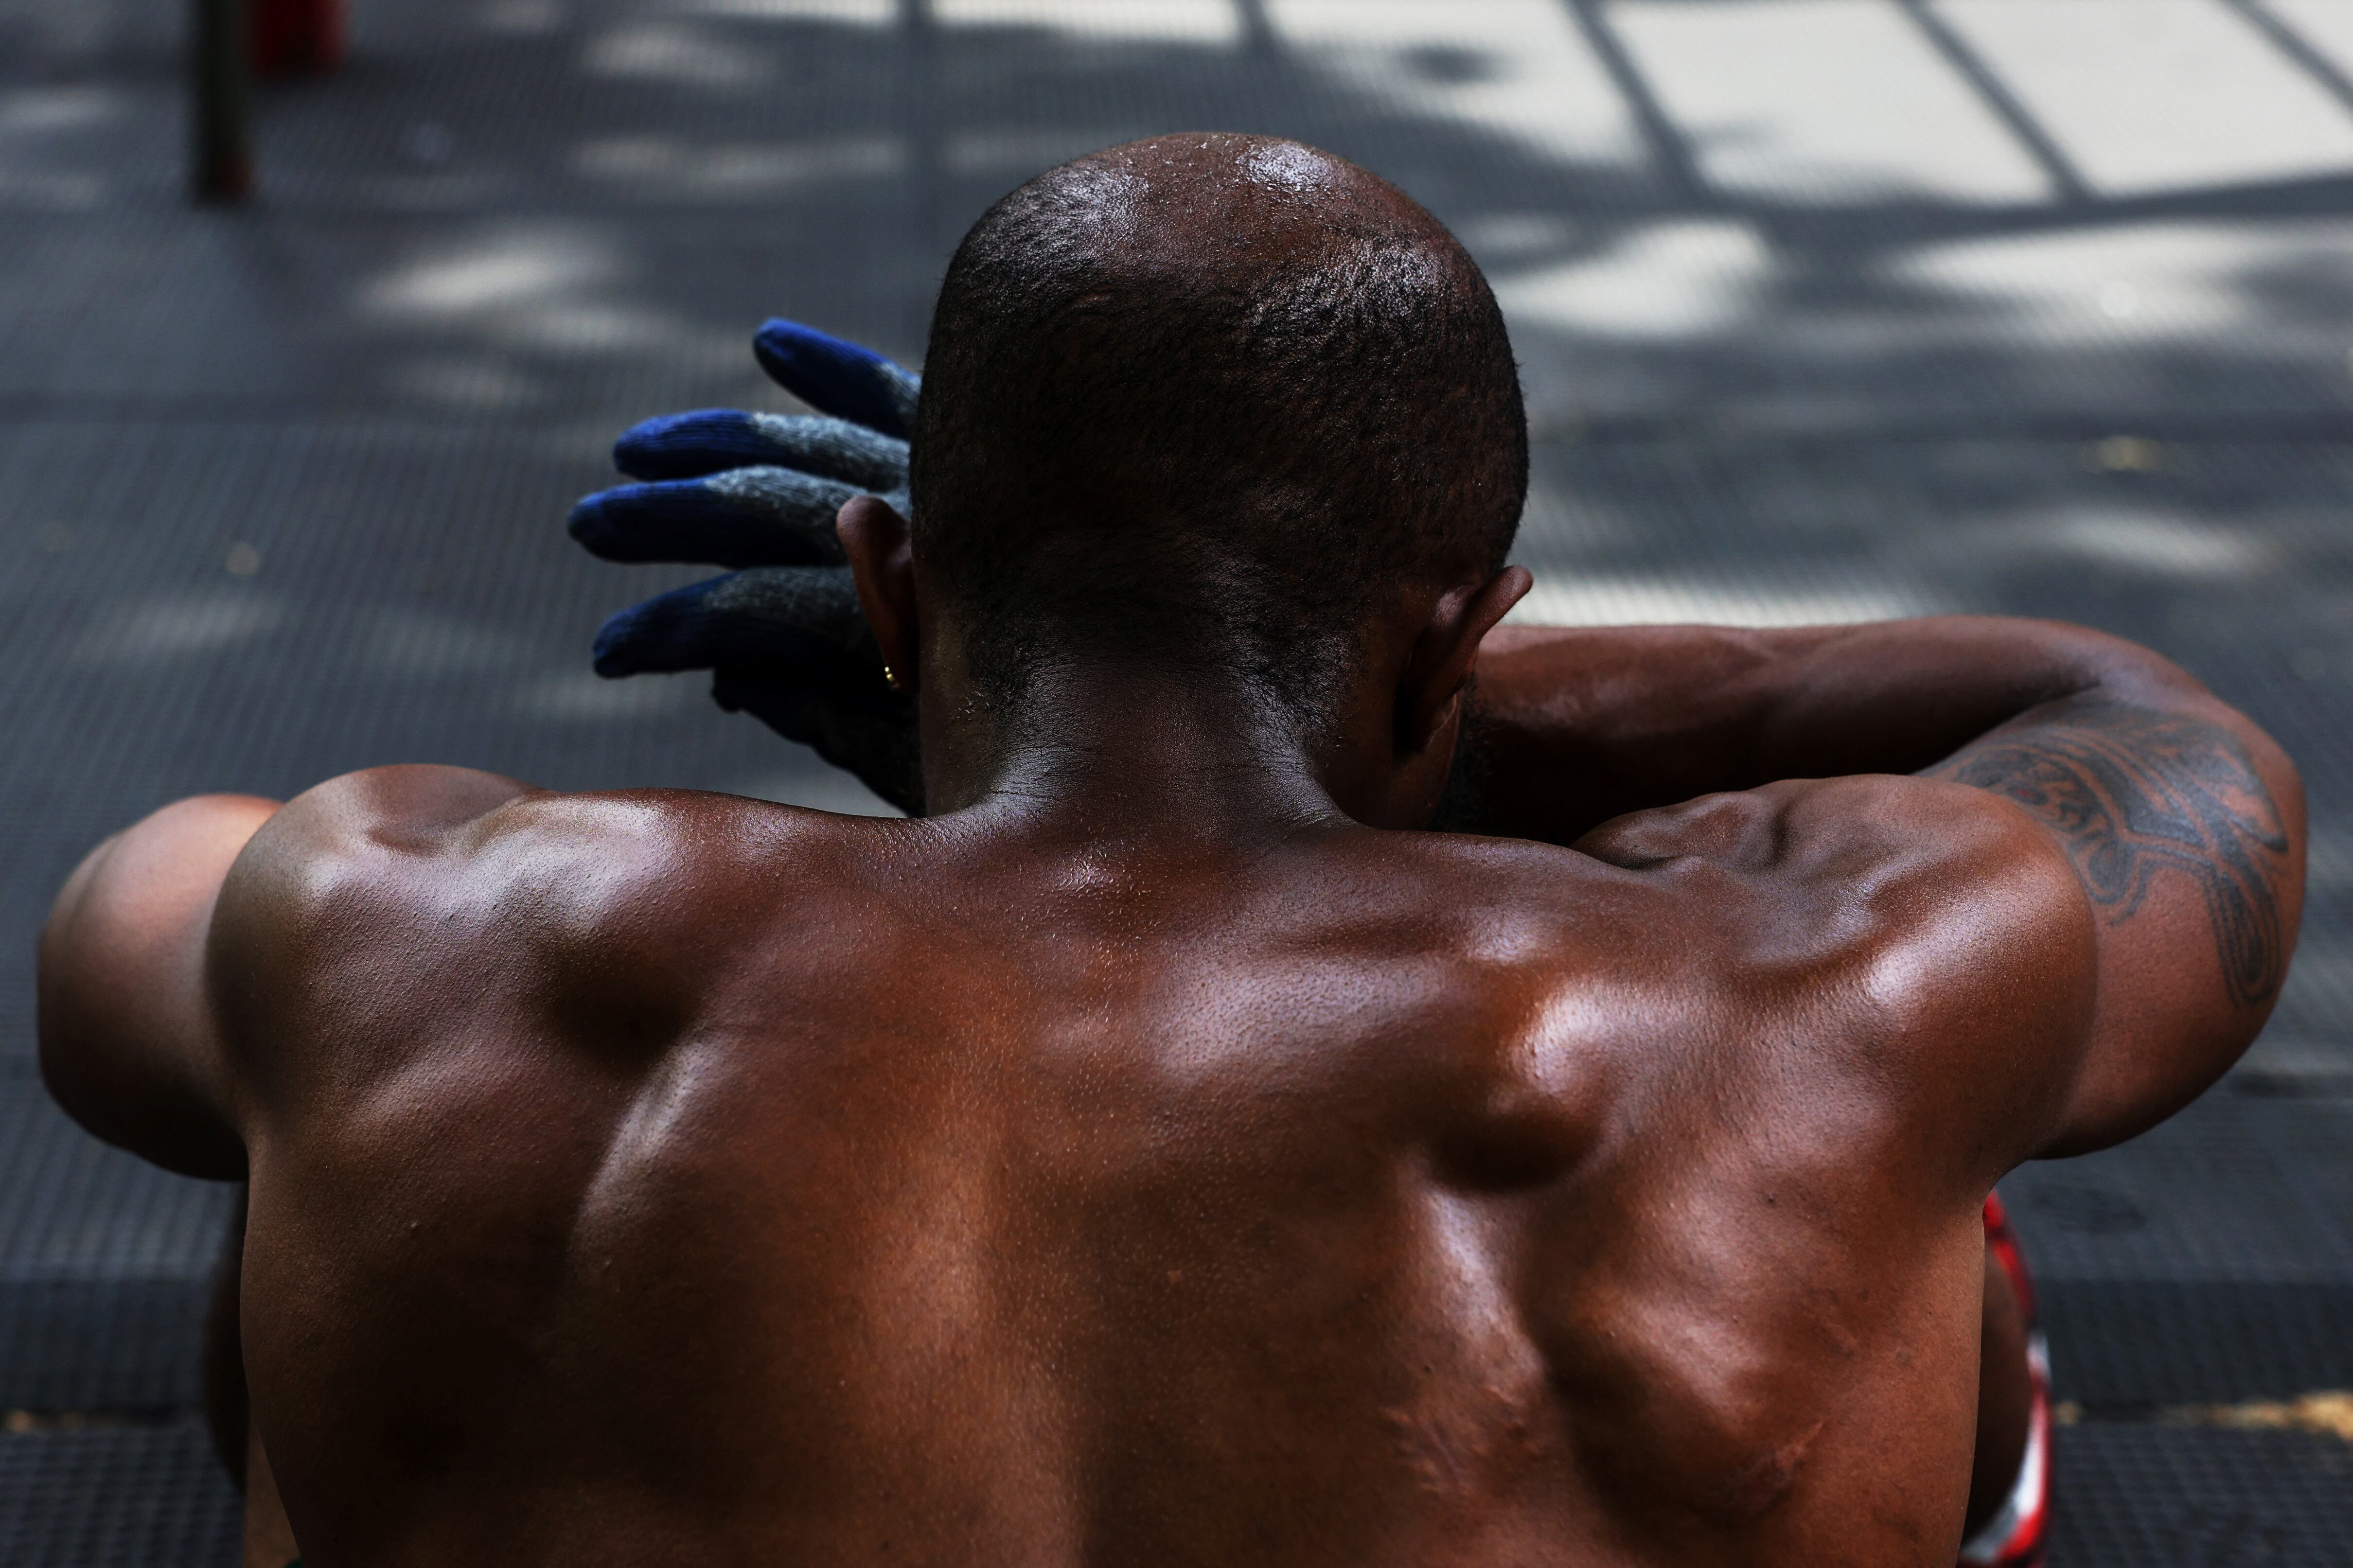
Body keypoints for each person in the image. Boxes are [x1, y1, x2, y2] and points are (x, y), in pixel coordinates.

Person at [39, 135, 2302, 1568]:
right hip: (1347, 690)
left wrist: (992, 691)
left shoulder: (403, 929)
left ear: (892, 589)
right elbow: (2148, 733)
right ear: (1460, 639)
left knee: (320, 1148)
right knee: (1930, 1238)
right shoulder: (1817, 999)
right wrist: (1445, 711)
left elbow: (120, 917)